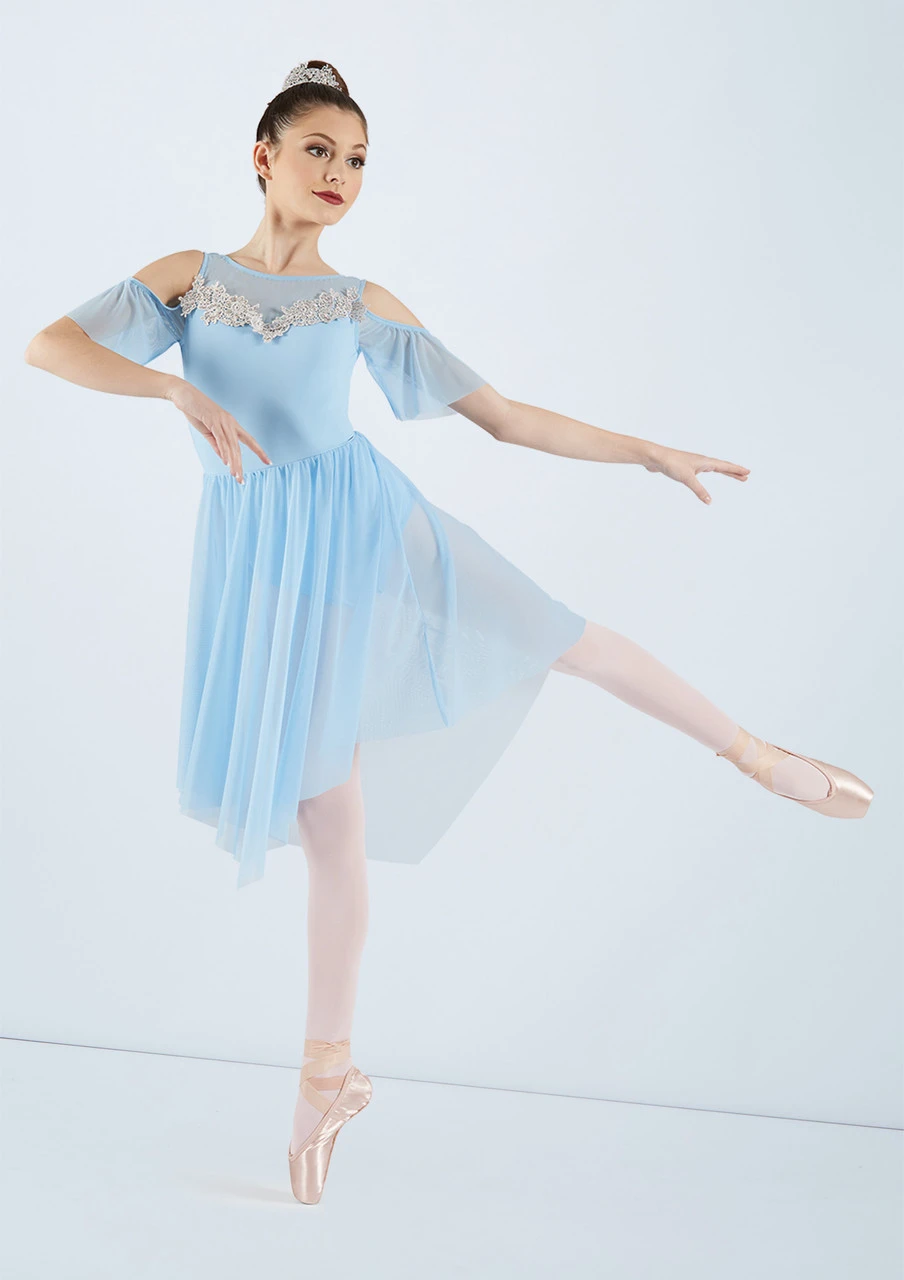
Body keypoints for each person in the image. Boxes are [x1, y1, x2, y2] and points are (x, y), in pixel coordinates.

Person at [24, 58, 873, 1205]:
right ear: (263, 157)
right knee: (328, 819)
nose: (340, 173)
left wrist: (645, 450)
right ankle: (327, 1076)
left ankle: (759, 755)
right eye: (319, 149)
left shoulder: (359, 301)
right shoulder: (189, 278)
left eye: (358, 159)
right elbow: (51, 345)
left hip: (367, 526)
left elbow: (505, 417)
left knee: (559, 633)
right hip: (262, 564)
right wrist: (172, 388)